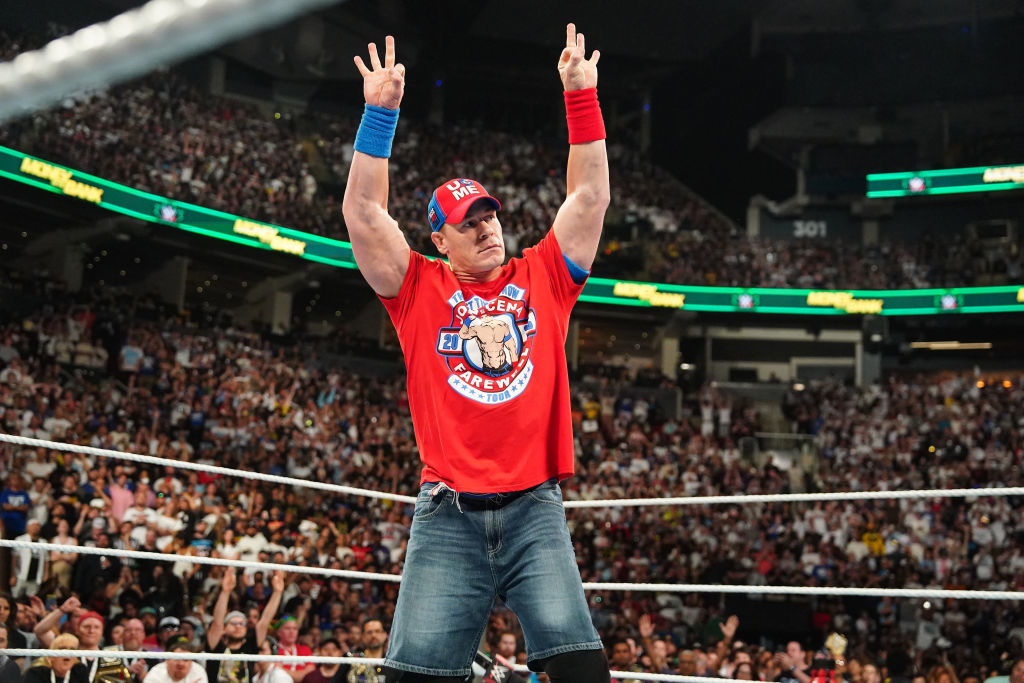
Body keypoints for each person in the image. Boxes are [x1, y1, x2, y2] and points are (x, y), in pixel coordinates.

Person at [341, 22, 610, 683]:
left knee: (583, 672)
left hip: (533, 507)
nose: (487, 227)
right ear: (441, 239)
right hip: (449, 511)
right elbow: (364, 216)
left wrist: (581, 96)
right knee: (412, 677)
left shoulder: (542, 274)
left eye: (489, 214)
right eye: (469, 222)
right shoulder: (417, 287)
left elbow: (589, 196)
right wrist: (379, 115)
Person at [205, 567, 284, 683]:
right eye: (234, 623)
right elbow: (217, 623)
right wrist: (225, 592)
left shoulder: (250, 647)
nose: (238, 626)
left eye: (242, 623)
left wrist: (277, 592)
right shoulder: (216, 648)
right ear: (224, 629)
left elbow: (264, 621)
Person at [23, 632, 91, 683]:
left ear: (75, 658)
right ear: (51, 656)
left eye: (72, 650)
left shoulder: (80, 671)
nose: (67, 653)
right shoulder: (36, 673)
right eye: (62, 649)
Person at [338, 618, 388, 682]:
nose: (373, 635)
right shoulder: (351, 660)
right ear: (363, 636)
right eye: (369, 632)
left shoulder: (393, 665)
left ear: (384, 635)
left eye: (377, 631)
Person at [143, 636, 209, 683]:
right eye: (177, 659)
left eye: (185, 660)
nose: (181, 663)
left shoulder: (198, 671)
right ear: (167, 660)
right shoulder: (157, 672)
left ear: (191, 662)